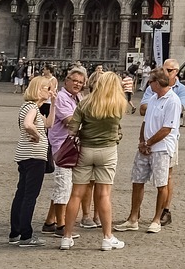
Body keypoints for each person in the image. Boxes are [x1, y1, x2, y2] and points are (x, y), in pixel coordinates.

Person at [59, 71, 129, 251]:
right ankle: (107, 237)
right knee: (104, 194)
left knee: (76, 194)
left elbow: (72, 129)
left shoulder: (85, 103)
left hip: (86, 150)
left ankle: (66, 237)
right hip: (108, 150)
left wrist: (83, 132)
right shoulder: (119, 104)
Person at [114, 68, 181, 234]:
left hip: (161, 148)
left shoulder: (173, 100)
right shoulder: (153, 98)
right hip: (146, 146)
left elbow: (167, 128)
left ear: (157, 83)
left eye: (150, 81)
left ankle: (157, 219)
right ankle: (133, 218)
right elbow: (146, 121)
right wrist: (141, 141)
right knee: (137, 181)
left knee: (161, 183)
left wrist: (149, 143)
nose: (148, 84)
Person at [41, 67, 86, 235]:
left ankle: (49, 222)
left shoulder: (77, 97)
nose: (77, 84)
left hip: (70, 146)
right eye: (74, 80)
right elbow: (70, 122)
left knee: (62, 185)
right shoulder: (62, 98)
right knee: (64, 186)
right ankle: (61, 225)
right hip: (62, 147)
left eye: (80, 82)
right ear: (66, 81)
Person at [9, 76, 53, 246]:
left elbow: (49, 123)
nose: (49, 92)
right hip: (34, 156)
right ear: (38, 89)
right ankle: (26, 235)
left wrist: (54, 102)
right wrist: (37, 135)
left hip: (25, 155)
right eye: (47, 88)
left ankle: (15, 232)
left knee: (21, 193)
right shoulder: (32, 107)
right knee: (29, 196)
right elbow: (28, 125)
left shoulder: (30, 107)